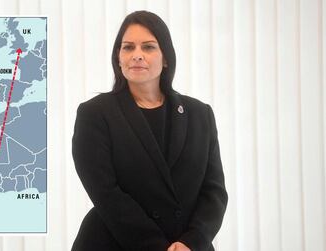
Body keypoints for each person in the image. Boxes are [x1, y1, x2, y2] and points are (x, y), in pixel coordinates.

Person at [72, 10, 228, 251]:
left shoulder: (200, 114)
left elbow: (214, 191)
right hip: (115, 244)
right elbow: (106, 194)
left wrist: (193, 241)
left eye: (148, 47)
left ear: (166, 57)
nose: (137, 55)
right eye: (128, 47)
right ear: (118, 57)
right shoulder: (94, 114)